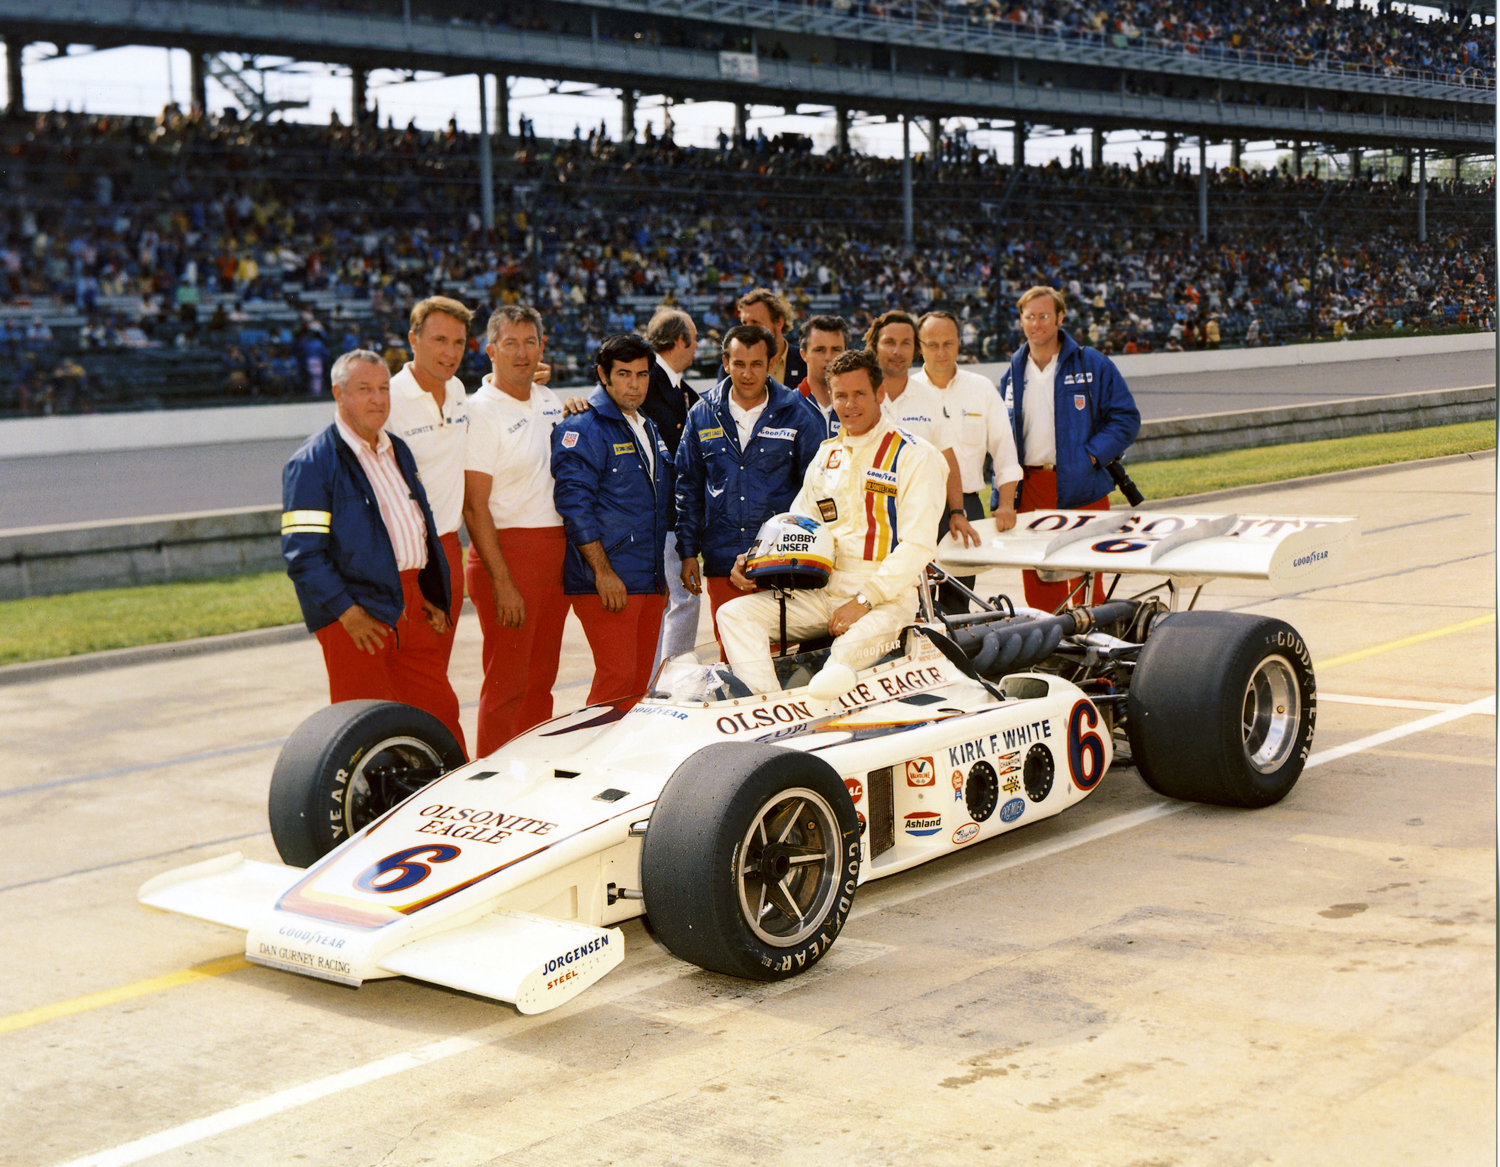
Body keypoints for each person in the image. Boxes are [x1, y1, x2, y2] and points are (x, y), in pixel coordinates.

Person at [716, 348, 945, 695]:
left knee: (834, 668)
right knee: (733, 614)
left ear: (880, 394)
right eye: (840, 395)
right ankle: (771, 709)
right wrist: (753, 561)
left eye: (859, 394)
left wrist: (863, 601)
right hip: (823, 590)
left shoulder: (915, 455)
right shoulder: (826, 454)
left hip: (886, 598)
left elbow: (919, 546)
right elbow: (797, 526)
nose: (849, 404)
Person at [281, 349, 465, 754]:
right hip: (355, 616)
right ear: (339, 394)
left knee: (439, 716)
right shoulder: (312, 463)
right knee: (364, 732)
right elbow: (302, 555)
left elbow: (419, 526)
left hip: (411, 603)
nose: (378, 399)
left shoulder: (397, 448)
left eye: (383, 388)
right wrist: (348, 613)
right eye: (365, 389)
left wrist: (430, 593)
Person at [462, 304, 569, 755]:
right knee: (508, 680)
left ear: (542, 348)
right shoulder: (480, 411)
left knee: (541, 681)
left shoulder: (551, 400)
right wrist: (502, 581)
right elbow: (473, 505)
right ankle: (491, 776)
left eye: (530, 342)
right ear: (490, 350)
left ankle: (531, 771)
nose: (521, 353)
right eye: (511, 343)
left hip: (554, 551)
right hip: (507, 553)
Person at [996, 287, 1141, 611]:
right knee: (1038, 577)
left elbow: (1126, 418)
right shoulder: (1012, 373)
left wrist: (1090, 456)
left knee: (1087, 577)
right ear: (1021, 320)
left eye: (1044, 316)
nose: (1036, 324)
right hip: (1030, 487)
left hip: (1083, 484)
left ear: (1060, 318)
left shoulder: (1093, 363)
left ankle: (1092, 650)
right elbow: (1001, 436)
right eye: (1029, 317)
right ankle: (1049, 650)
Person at [675, 323, 823, 639]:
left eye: (756, 364)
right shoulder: (702, 414)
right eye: (739, 364)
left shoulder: (797, 412)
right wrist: (688, 552)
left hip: (781, 562)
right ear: (725, 363)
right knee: (732, 656)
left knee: (776, 663)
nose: (747, 373)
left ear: (771, 365)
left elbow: (817, 488)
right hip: (722, 560)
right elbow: (687, 487)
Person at [552, 333, 675, 708]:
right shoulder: (582, 427)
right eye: (623, 374)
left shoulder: (647, 426)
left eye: (641, 374)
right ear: (603, 376)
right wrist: (603, 573)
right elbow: (574, 506)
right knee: (617, 677)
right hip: (607, 580)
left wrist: (661, 577)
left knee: (639, 682)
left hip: (647, 579)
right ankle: (588, 756)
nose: (634, 384)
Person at [384, 296, 472, 658]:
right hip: (402, 555)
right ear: (413, 339)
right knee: (408, 674)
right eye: (440, 340)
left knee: (436, 667)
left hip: (449, 549)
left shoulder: (459, 390)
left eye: (459, 342)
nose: (451, 352)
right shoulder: (387, 397)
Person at [642, 307, 703, 666]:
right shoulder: (646, 381)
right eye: (693, 340)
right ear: (679, 340)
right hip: (660, 517)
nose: (696, 348)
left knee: (677, 600)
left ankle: (666, 678)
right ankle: (670, 679)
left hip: (673, 518)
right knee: (681, 599)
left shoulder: (683, 390)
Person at [735, 287, 807, 390]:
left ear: (778, 322)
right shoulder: (732, 366)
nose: (748, 330)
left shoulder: (806, 363)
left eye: (755, 322)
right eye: (744, 323)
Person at [795, 314, 849, 438]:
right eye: (819, 350)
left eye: (836, 349)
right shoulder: (786, 407)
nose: (828, 357)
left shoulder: (859, 408)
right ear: (804, 354)